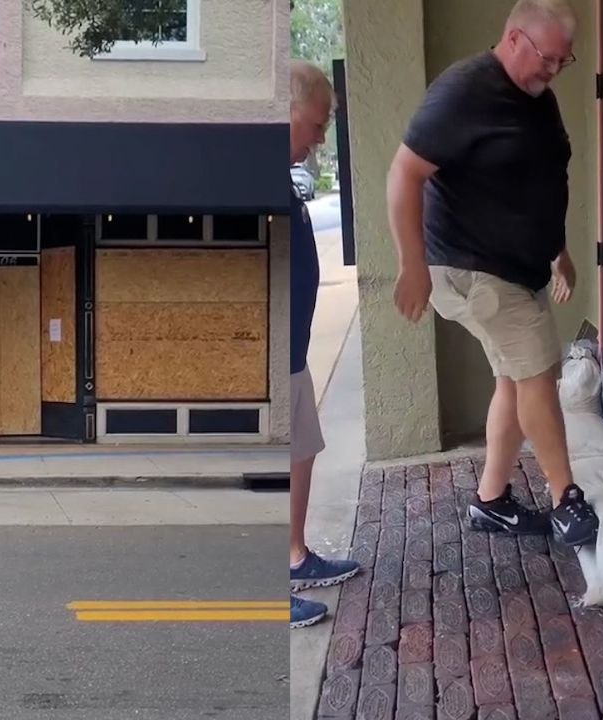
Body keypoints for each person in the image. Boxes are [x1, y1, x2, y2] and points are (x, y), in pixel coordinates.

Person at [386, 0, 598, 547]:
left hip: (518, 267)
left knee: (513, 377)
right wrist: (411, 264)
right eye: (547, 59)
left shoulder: (539, 101)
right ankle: (566, 499)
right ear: (513, 39)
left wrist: (558, 252)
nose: (553, 71)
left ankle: (490, 500)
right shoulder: (463, 92)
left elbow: (544, 181)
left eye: (563, 61)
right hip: (473, 267)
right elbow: (403, 175)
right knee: (537, 376)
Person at [289, 61, 360, 629]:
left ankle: (294, 558)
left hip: (291, 352)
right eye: (317, 122)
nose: (320, 137)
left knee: (302, 450)